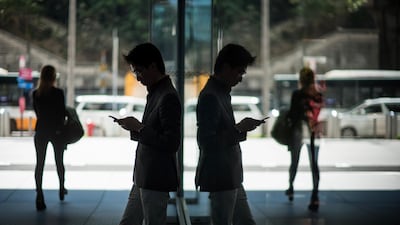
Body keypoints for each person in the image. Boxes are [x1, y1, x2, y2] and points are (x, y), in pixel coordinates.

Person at [195, 43, 265, 225]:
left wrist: (239, 129)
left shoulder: (221, 93)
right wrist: (239, 129)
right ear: (226, 68)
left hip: (229, 176)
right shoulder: (211, 96)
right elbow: (206, 141)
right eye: (239, 72)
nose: (240, 78)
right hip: (222, 176)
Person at [115, 43, 181, 225]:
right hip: (145, 176)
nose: (137, 78)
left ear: (153, 66)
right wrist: (135, 128)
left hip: (155, 178)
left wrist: (140, 128)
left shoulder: (167, 96)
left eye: (139, 71)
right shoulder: (156, 92)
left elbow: (171, 142)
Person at [285, 67, 323, 211]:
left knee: (294, 161)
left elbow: (292, 114)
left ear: (301, 79)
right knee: (314, 164)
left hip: (299, 131)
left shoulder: (297, 94)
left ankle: (291, 186)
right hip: (315, 131)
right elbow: (319, 113)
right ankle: (315, 195)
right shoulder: (318, 94)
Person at [32, 65, 67, 211]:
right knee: (59, 161)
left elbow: (37, 113)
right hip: (56, 132)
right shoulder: (58, 93)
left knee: (40, 164)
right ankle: (61, 187)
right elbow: (62, 113)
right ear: (53, 77)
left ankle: (39, 195)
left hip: (41, 131)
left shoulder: (36, 94)